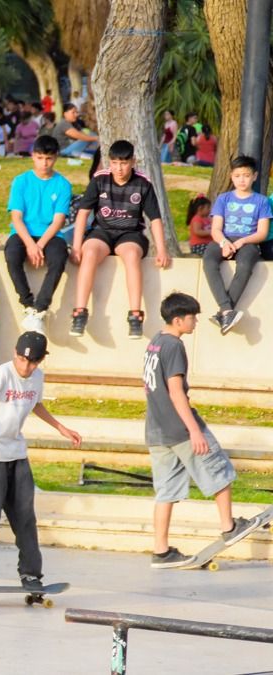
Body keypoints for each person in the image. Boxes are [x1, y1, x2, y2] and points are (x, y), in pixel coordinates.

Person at [0, 332, 81, 590]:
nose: (26, 367)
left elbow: (36, 404)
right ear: (15, 354)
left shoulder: (37, 377)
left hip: (17, 453)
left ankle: (31, 575)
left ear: (40, 361)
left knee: (25, 516)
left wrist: (61, 428)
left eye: (32, 363)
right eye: (22, 360)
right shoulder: (2, 374)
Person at [142, 293, 262, 568]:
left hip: (157, 430)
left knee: (166, 491)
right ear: (178, 320)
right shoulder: (174, 346)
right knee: (220, 470)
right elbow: (175, 391)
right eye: (192, 317)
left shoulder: (155, 343)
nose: (195, 322)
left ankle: (161, 551)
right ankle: (229, 526)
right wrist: (194, 431)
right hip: (180, 428)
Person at [69, 140, 170, 340]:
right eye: (114, 163)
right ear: (109, 162)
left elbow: (155, 219)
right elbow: (83, 213)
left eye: (124, 163)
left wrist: (161, 250)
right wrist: (77, 246)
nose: (119, 168)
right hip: (102, 231)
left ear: (133, 161)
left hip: (130, 233)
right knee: (90, 252)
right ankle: (80, 312)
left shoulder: (143, 183)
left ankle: (135, 315)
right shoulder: (100, 179)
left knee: (132, 255)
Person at [4, 136, 72, 336]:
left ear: (56, 157)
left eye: (49, 158)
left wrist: (39, 245)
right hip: (23, 232)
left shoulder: (63, 184)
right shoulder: (21, 181)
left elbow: (58, 221)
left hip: (50, 235)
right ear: (33, 156)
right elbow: (16, 218)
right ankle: (28, 304)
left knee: (59, 258)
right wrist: (30, 245)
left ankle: (40, 309)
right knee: (12, 255)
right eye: (40, 158)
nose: (44, 163)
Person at [202, 155, 271, 334]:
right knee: (209, 260)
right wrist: (224, 242)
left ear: (254, 176)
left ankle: (223, 312)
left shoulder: (261, 201)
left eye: (246, 175)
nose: (242, 180)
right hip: (224, 239)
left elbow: (262, 233)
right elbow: (216, 229)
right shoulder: (223, 199)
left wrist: (243, 241)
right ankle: (227, 310)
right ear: (231, 176)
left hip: (248, 242)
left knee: (245, 265)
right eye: (238, 175)